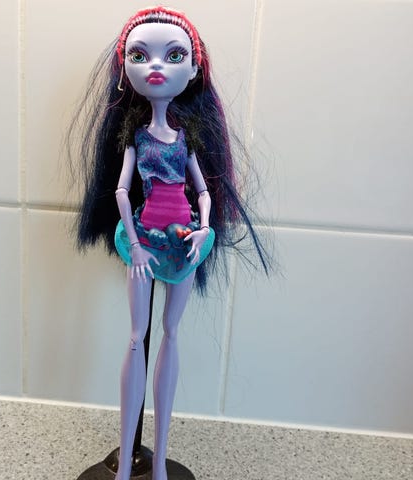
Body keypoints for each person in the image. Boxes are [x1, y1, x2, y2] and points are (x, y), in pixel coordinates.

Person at [68, 7, 269, 480]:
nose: (156, 65)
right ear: (124, 69)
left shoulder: (186, 139)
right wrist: (136, 245)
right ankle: (125, 465)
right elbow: (122, 191)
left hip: (182, 243)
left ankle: (158, 462)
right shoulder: (135, 137)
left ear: (195, 71)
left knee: (170, 335)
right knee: (136, 337)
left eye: (174, 55)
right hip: (143, 240)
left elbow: (203, 192)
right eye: (140, 55)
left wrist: (204, 228)